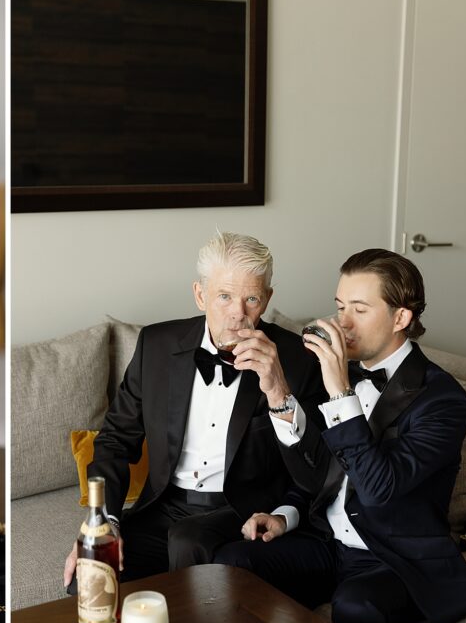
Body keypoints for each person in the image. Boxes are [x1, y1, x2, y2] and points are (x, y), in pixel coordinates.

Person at [214, 248, 466, 623]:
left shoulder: (444, 400)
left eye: (359, 309)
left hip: (395, 556)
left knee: (355, 603)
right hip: (330, 542)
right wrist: (286, 512)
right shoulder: (340, 372)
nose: (341, 322)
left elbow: (378, 488)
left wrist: (340, 394)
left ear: (401, 317)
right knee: (233, 562)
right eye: (339, 305)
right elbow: (316, 474)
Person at [64, 232, 324, 590]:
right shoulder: (155, 347)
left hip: (239, 510)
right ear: (200, 295)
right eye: (224, 296)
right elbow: (113, 442)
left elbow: (315, 471)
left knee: (189, 541)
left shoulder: (297, 359)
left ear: (267, 299)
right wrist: (101, 522)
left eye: (251, 298)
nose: (238, 313)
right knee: (91, 574)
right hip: (163, 507)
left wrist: (278, 389)